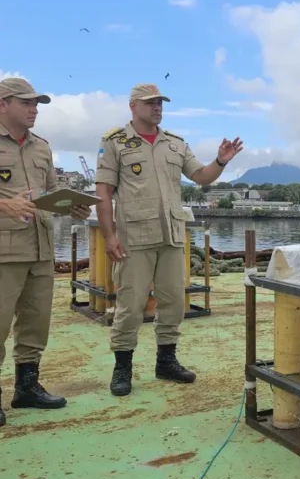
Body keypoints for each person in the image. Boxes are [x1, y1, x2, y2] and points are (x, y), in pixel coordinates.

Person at [95, 83, 243, 397]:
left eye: (160, 102)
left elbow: (201, 176)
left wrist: (220, 161)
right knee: (130, 305)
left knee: (174, 301)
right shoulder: (115, 142)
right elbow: (104, 193)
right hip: (134, 237)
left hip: (172, 235)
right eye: (150, 103)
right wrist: (109, 237)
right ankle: (123, 367)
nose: (157, 107)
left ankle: (166, 361)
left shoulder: (174, 144)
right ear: (133, 106)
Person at [0, 77, 92, 427]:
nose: (34, 109)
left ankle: (26, 387)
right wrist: (4, 206)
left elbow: (51, 191)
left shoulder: (42, 147)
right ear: (3, 104)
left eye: (36, 103)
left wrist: (73, 206)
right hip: (4, 250)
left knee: (36, 323)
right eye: (26, 102)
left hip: (40, 247)